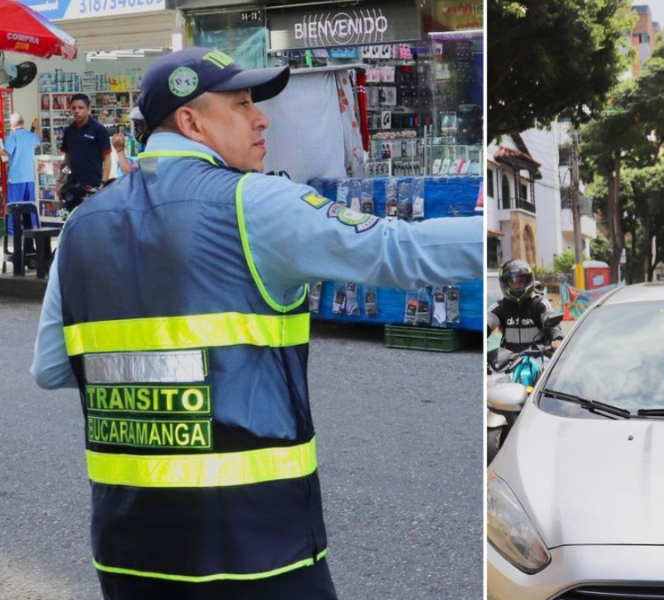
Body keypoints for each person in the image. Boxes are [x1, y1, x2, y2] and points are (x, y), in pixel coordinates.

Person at [30, 48, 482, 600]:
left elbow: (52, 368)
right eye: (242, 103)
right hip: (258, 549)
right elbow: (399, 251)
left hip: (129, 551)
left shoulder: (81, 225)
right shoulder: (256, 204)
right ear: (190, 122)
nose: (262, 117)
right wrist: (495, 238)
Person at [488, 259, 563, 353]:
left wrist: (557, 338)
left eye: (520, 281)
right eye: (512, 282)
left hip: (539, 360)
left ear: (528, 281)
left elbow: (550, 318)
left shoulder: (540, 304)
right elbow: (488, 319)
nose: (516, 286)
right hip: (508, 362)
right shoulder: (500, 307)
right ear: (506, 283)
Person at [55, 93, 112, 207]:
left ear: (88, 110)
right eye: (73, 108)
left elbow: (107, 159)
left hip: (93, 187)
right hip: (71, 187)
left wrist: (103, 183)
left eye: (81, 108)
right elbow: (67, 160)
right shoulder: (69, 131)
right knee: (71, 221)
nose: (77, 111)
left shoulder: (99, 130)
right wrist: (59, 181)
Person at [0, 112, 41, 240]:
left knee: (14, 207)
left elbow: (6, 153)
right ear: (22, 123)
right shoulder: (30, 135)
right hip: (29, 177)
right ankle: (33, 228)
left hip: (16, 177)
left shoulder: (13, 137)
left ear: (12, 125)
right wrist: (36, 127)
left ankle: (12, 232)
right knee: (30, 205)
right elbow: (38, 142)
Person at [110, 106, 146, 179]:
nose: (136, 129)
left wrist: (120, 150)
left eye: (138, 125)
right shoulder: (146, 145)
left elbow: (131, 175)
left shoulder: (154, 147)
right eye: (135, 125)